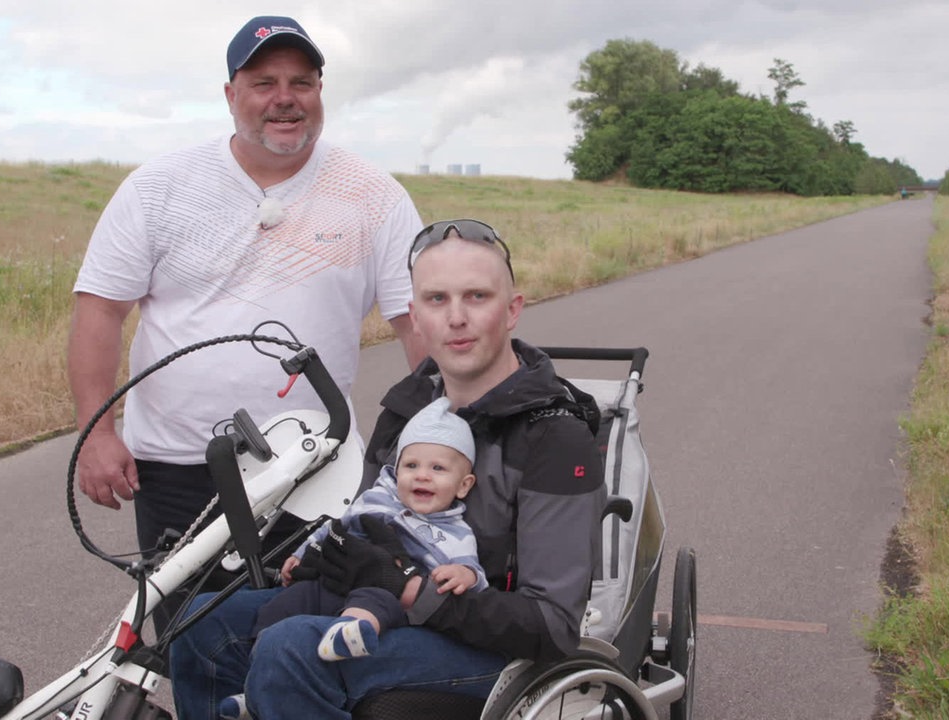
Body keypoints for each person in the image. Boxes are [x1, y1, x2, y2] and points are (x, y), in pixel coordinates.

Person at [66, 15, 425, 632]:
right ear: (231, 94)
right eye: (263, 82)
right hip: (176, 469)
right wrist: (95, 433)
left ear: (319, 92)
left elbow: (419, 325)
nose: (285, 98)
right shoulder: (159, 188)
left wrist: (441, 439)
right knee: (186, 642)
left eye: (302, 82)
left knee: (293, 644)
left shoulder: (374, 196)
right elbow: (99, 310)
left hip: (311, 470)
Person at [168, 219, 607, 720]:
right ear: (415, 317)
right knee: (202, 625)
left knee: (291, 648)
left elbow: (551, 626)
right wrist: (324, 557)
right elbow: (368, 521)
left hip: (497, 653)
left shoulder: (556, 438)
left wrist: (410, 588)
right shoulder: (409, 407)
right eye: (437, 300)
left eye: (477, 297)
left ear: (512, 311)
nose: (456, 318)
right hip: (382, 610)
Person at [218, 397, 487, 719]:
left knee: (376, 597)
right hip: (336, 580)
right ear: (395, 470)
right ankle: (256, 686)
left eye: (438, 469)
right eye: (411, 466)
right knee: (286, 604)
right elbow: (332, 529)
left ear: (463, 485)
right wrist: (301, 555)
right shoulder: (375, 500)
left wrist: (464, 574)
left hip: (391, 591)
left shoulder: (453, 530)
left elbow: (471, 568)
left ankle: (353, 632)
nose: (422, 476)